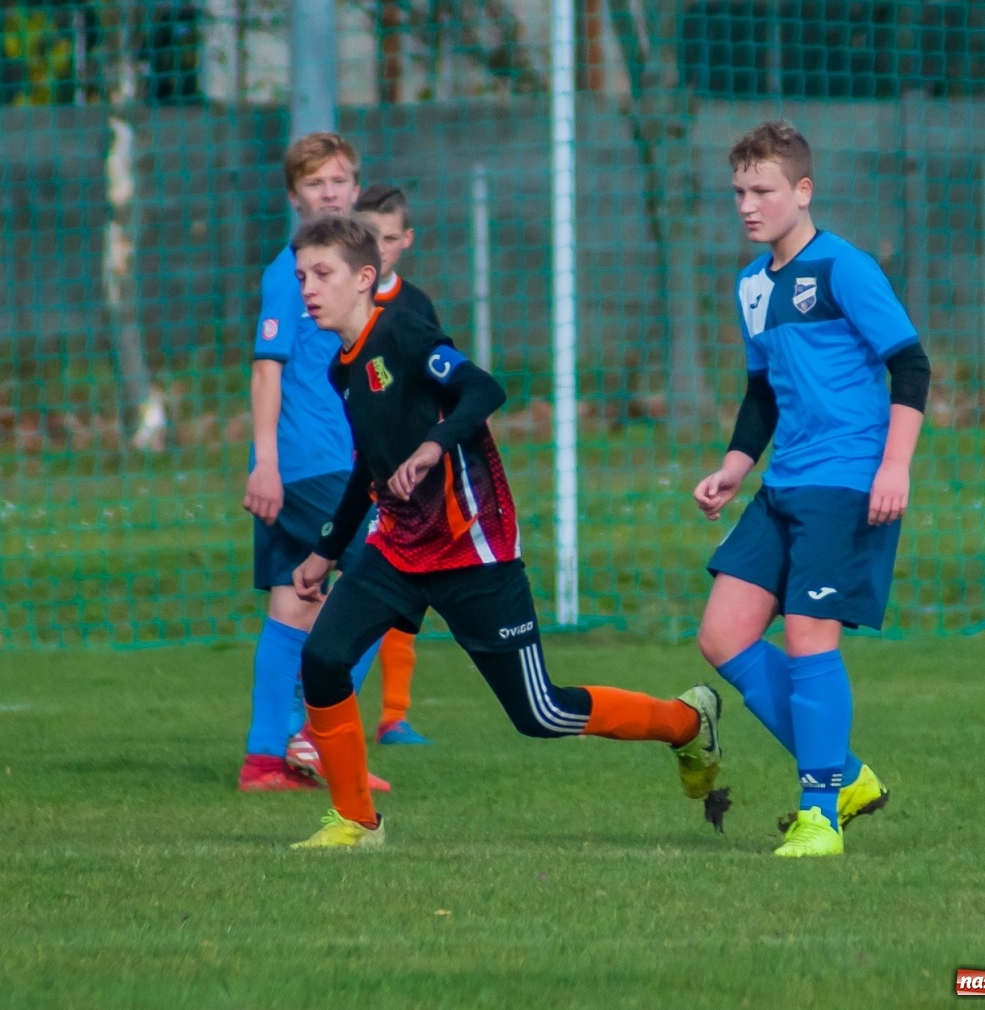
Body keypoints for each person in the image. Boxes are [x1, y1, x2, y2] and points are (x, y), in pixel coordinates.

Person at [283, 213, 722, 850]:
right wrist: (326, 549)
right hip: (397, 548)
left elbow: (483, 390)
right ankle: (356, 822)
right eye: (301, 276)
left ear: (365, 278)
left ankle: (687, 720)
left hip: (472, 550)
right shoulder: (342, 368)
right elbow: (367, 466)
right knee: (323, 659)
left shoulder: (404, 329)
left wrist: (434, 447)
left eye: (322, 274)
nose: (309, 288)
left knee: (539, 714)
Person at [693, 120, 930, 858]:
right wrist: (735, 465)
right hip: (783, 481)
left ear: (803, 191)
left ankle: (819, 815)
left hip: (846, 478)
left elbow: (912, 365)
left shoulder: (844, 268)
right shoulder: (751, 286)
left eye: (761, 190)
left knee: (806, 637)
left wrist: (894, 466)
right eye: (738, 191)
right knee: (721, 635)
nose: (746, 205)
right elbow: (762, 392)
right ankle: (846, 775)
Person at [238, 133, 386, 793]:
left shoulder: (343, 272)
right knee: (390, 575)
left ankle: (267, 761)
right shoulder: (290, 272)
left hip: (329, 459)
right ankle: (319, 737)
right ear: (295, 194)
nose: (330, 192)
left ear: (356, 188)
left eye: (341, 181)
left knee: (292, 605)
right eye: (316, 183)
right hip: (304, 465)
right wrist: (265, 463)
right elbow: (266, 371)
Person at [354, 183, 436, 746]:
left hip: (402, 470)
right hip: (348, 468)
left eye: (387, 238)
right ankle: (310, 724)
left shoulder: (414, 307)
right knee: (358, 585)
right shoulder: (337, 302)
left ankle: (393, 715)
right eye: (367, 237)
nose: (377, 248)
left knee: (408, 586)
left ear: (404, 241)